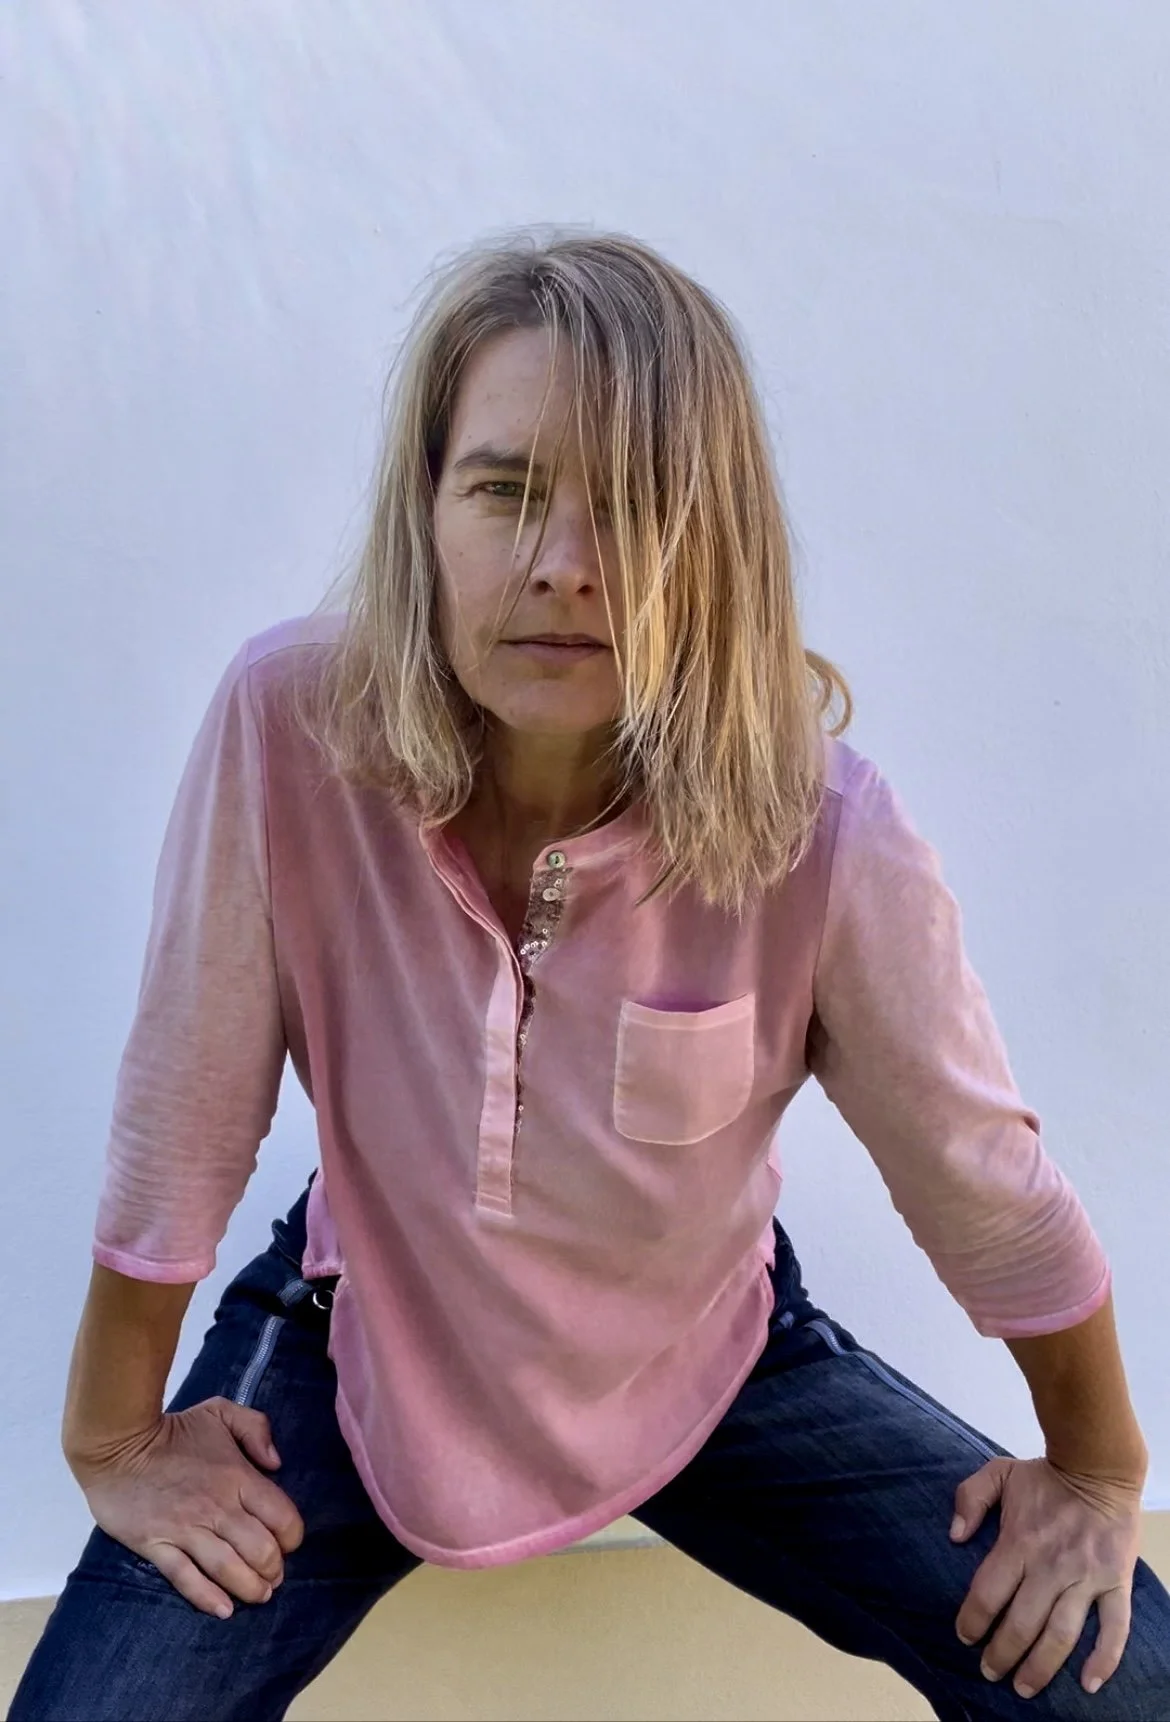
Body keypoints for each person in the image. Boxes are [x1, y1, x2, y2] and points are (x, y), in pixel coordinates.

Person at [11, 229, 1170, 1722]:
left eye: (632, 504)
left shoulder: (821, 828)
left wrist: (1097, 1470)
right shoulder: (289, 727)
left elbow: (979, 1177)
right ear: (425, 509)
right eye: (504, 491)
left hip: (701, 1351)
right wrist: (111, 1439)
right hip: (364, 1331)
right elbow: (186, 1105)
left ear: (715, 540)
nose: (562, 561)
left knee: (1131, 1682)